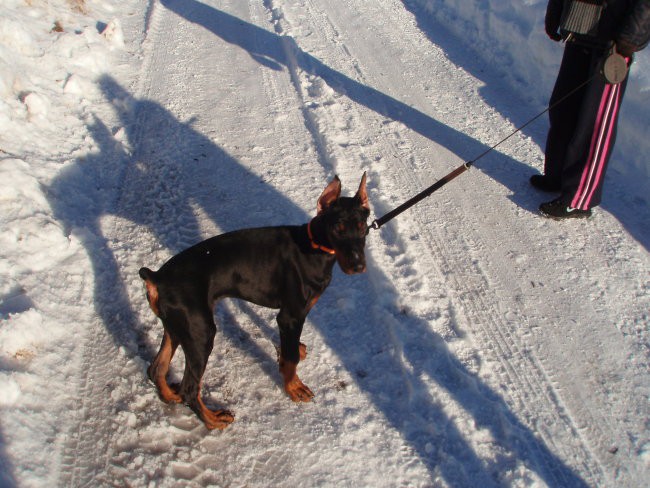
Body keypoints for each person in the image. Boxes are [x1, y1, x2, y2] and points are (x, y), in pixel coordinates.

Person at [531, 0, 650, 219]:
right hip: (580, 26)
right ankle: (557, 176)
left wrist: (630, 37)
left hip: (614, 39)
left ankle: (579, 198)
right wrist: (555, 12)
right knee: (563, 109)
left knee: (594, 121)